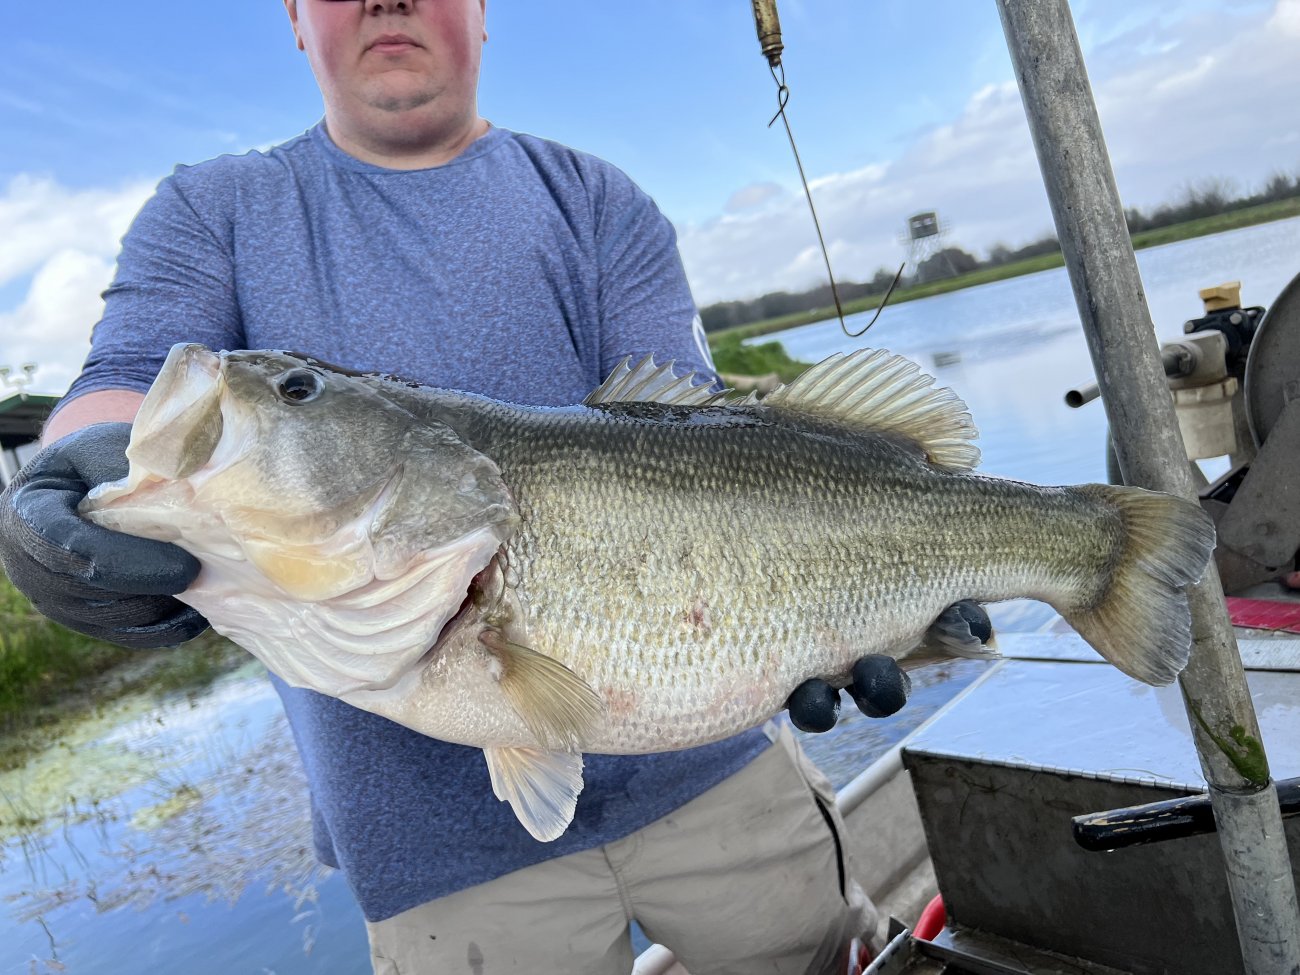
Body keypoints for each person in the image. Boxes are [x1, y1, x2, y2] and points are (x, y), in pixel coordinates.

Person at [0, 1, 939, 971]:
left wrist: (869, 593)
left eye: (295, 389)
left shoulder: (595, 197)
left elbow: (703, 442)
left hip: (723, 772)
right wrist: (83, 468)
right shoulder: (213, 208)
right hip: (433, 858)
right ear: (294, 16)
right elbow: (129, 378)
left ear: (484, 11)